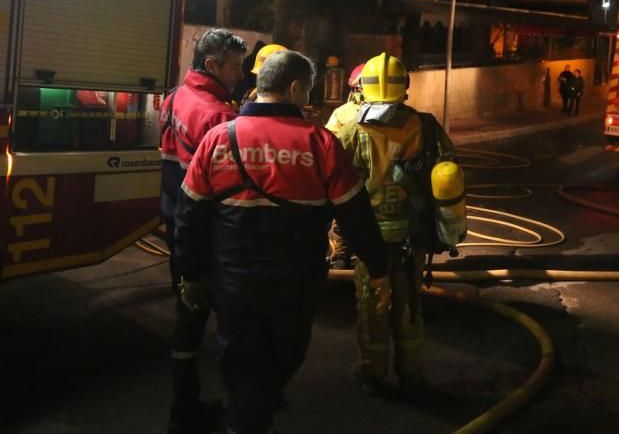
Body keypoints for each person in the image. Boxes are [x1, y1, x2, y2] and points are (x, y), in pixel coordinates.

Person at [173, 50, 389, 434]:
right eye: (308, 88)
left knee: (239, 359)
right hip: (295, 285)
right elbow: (356, 215)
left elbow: (189, 217)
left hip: (233, 284)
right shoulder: (320, 143)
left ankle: (250, 412)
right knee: (283, 356)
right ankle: (249, 418)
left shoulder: (218, 140)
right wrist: (378, 269)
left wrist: (190, 275)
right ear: (294, 88)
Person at [331, 52, 456, 400]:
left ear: (363, 89)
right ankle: (411, 375)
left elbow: (332, 180)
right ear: (405, 87)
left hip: (368, 241)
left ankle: (372, 374)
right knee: (409, 307)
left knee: (372, 307)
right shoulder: (426, 126)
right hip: (413, 238)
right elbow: (448, 172)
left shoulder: (352, 129)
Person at [159, 27, 247, 434]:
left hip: (177, 223)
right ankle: (238, 412)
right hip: (212, 236)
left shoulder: (175, 96)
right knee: (231, 326)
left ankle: (182, 402)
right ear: (211, 65)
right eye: (234, 66)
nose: (240, 74)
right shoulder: (219, 116)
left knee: (187, 321)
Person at [325, 64, 366, 269]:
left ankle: (341, 258)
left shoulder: (342, 114)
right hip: (386, 190)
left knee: (343, 222)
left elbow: (328, 150)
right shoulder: (403, 117)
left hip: (348, 184)